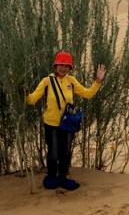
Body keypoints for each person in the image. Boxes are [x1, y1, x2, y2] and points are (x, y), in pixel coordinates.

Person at [25, 51, 106, 191]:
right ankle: (51, 177)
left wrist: (98, 81)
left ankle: (62, 177)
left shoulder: (71, 81)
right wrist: (26, 94)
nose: (63, 68)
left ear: (70, 68)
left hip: (67, 125)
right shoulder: (47, 81)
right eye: (61, 65)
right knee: (53, 152)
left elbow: (88, 94)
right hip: (51, 125)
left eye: (66, 66)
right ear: (55, 66)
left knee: (64, 152)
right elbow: (32, 100)